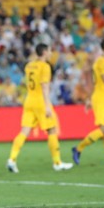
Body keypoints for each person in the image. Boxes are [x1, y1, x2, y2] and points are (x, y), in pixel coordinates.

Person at [7, 43, 73, 173]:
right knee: (52, 130)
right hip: (40, 101)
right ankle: (57, 162)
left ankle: (12, 159)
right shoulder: (45, 67)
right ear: (44, 52)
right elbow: (44, 87)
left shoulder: (29, 65)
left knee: (24, 131)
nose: (50, 53)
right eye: (49, 51)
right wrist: (48, 106)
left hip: (29, 100)